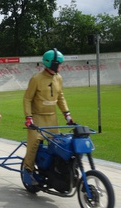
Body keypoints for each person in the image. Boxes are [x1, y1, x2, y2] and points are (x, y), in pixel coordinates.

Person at [23, 48, 74, 185]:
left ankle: (55, 172)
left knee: (57, 146)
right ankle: (28, 170)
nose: (61, 66)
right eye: (59, 63)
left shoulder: (58, 78)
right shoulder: (36, 79)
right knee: (33, 145)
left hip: (52, 118)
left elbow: (60, 97)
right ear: (52, 63)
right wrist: (29, 117)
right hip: (37, 117)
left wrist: (67, 115)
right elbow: (27, 99)